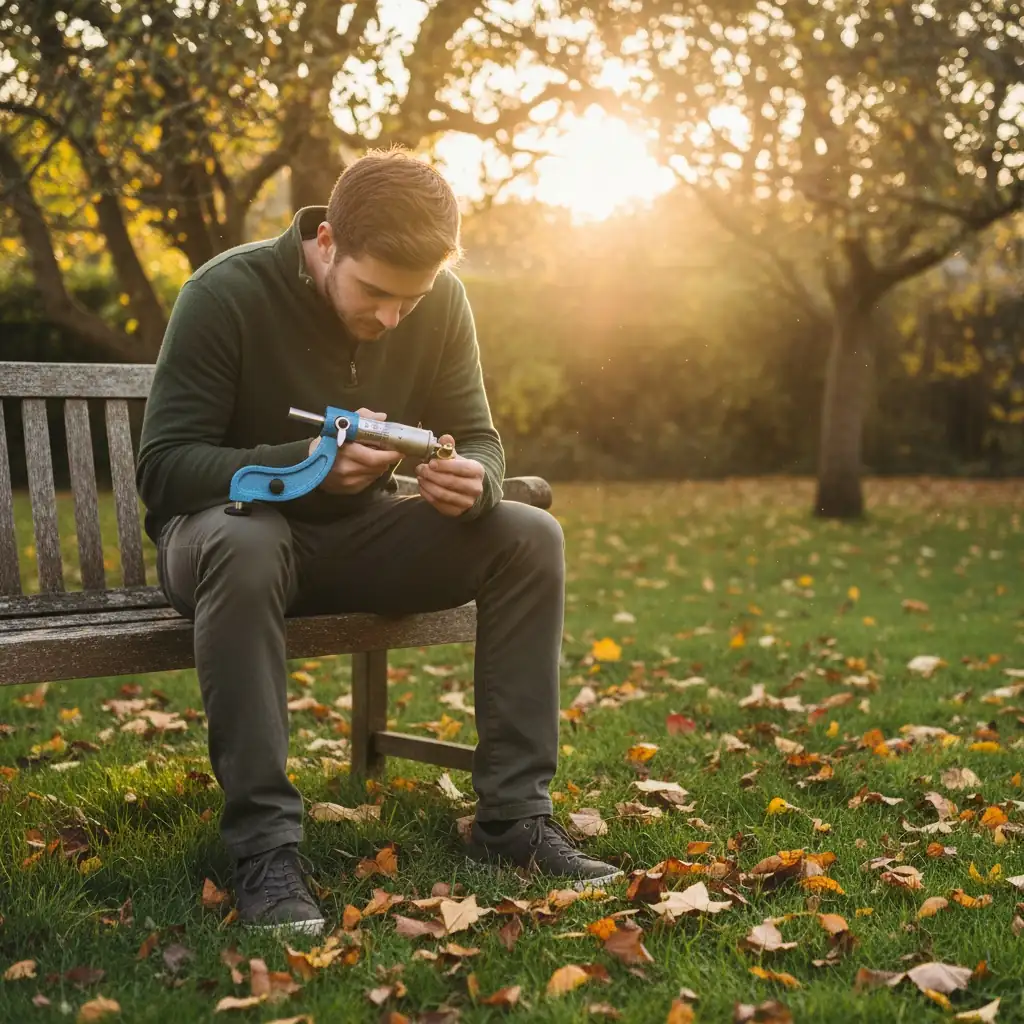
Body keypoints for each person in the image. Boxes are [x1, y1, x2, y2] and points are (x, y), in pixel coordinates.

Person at [135, 148, 622, 935]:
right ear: (326, 241)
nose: (393, 317)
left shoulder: (442, 303)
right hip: (228, 545)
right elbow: (163, 471)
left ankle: (511, 821)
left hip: (360, 543)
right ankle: (264, 849)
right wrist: (305, 468)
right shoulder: (224, 294)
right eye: (374, 292)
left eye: (412, 297)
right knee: (250, 544)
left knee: (529, 533)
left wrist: (477, 484)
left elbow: (484, 440)